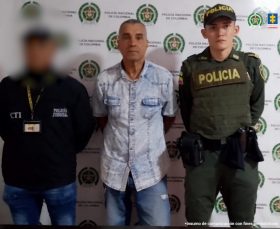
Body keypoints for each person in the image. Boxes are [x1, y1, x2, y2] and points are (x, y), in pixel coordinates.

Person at [178, 4, 265, 227]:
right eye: (213, 27)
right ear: (204, 33)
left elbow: (256, 103)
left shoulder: (249, 64)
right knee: (196, 222)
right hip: (202, 157)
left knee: (243, 222)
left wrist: (240, 131)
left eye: (226, 26)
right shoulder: (191, 67)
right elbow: (186, 109)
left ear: (236, 30)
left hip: (240, 154)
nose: (220, 32)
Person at [0, 27, 95, 225]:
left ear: (52, 51)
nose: (35, 53)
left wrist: (61, 152)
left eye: (41, 47)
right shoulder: (6, 87)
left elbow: (84, 131)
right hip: (18, 182)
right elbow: (2, 128)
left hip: (59, 181)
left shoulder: (72, 89)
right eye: (30, 48)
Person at [93, 19, 177, 226]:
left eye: (139, 37)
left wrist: (147, 138)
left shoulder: (163, 78)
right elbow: (102, 118)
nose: (133, 43)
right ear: (117, 43)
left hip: (151, 170)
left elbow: (169, 117)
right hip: (114, 169)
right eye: (126, 37)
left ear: (146, 43)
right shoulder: (104, 80)